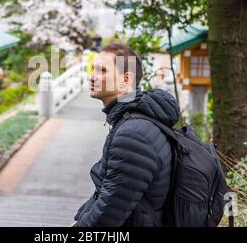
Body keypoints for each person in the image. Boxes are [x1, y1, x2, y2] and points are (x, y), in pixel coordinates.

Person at [71, 43, 179, 227]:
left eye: (102, 71)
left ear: (126, 79)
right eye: (93, 70)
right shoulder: (132, 122)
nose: (92, 77)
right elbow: (108, 193)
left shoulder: (133, 135)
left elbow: (109, 212)